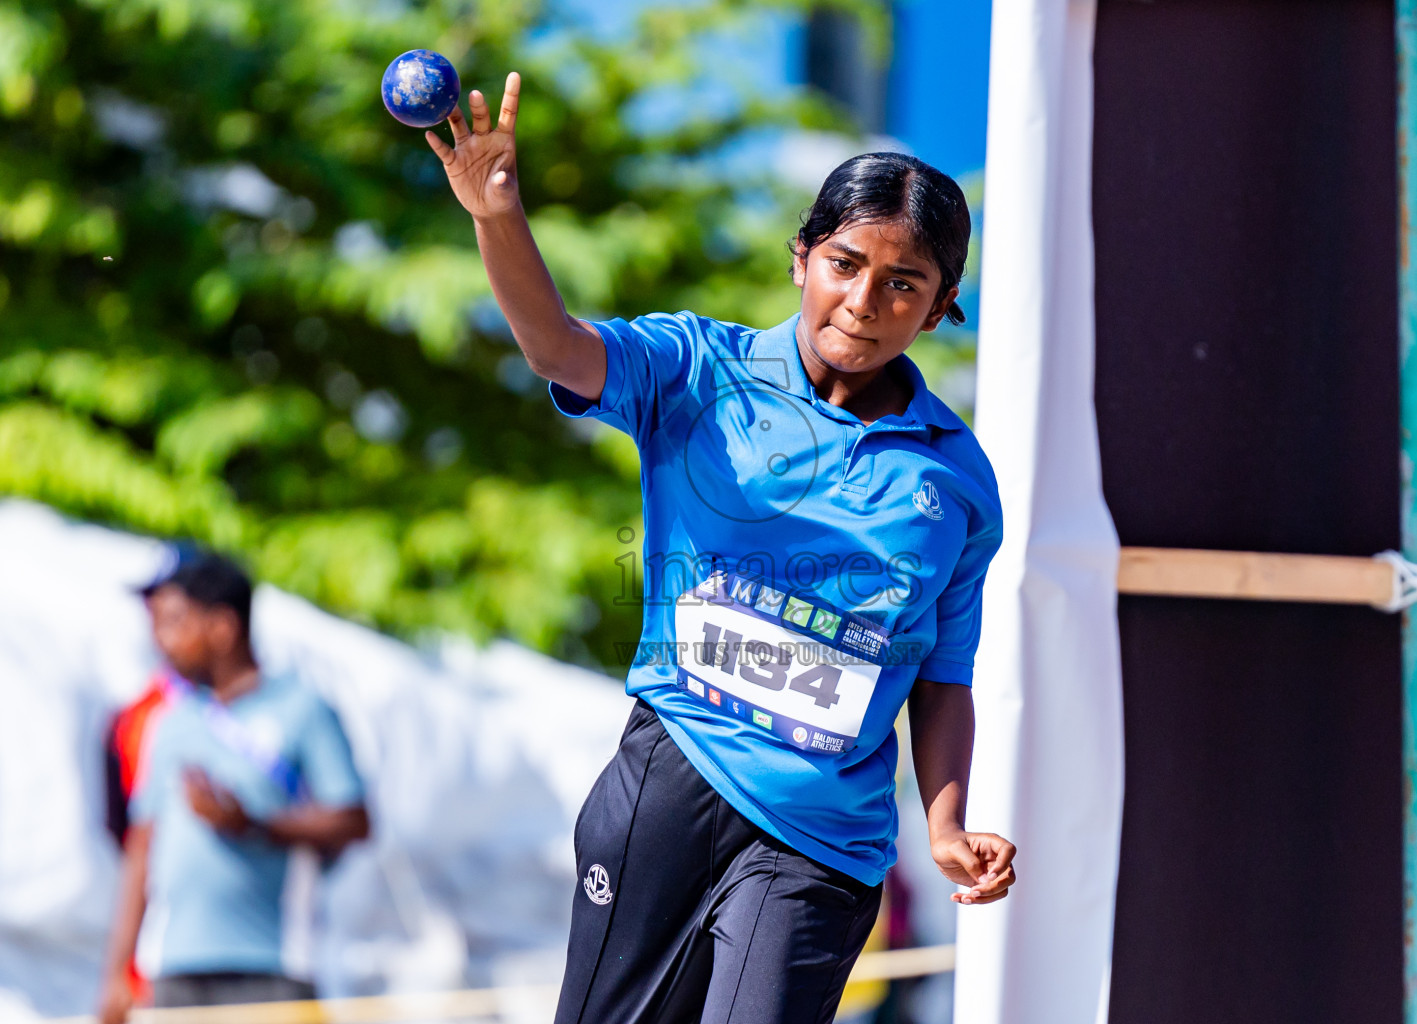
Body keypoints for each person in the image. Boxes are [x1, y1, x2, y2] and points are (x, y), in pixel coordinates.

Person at [428, 73, 1015, 1024]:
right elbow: (557, 350)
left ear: (941, 306)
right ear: (801, 260)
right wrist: (498, 215)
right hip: (672, 782)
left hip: (822, 843)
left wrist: (943, 826)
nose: (865, 300)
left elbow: (943, 673)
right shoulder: (697, 368)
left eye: (903, 282)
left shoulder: (957, 478)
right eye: (845, 264)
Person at [97, 554, 370, 1023]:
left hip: (271, 964)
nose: (162, 641)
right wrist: (119, 972)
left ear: (222, 626)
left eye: (175, 623)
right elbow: (143, 847)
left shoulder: (301, 709)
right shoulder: (171, 721)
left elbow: (352, 819)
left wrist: (253, 824)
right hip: (175, 967)